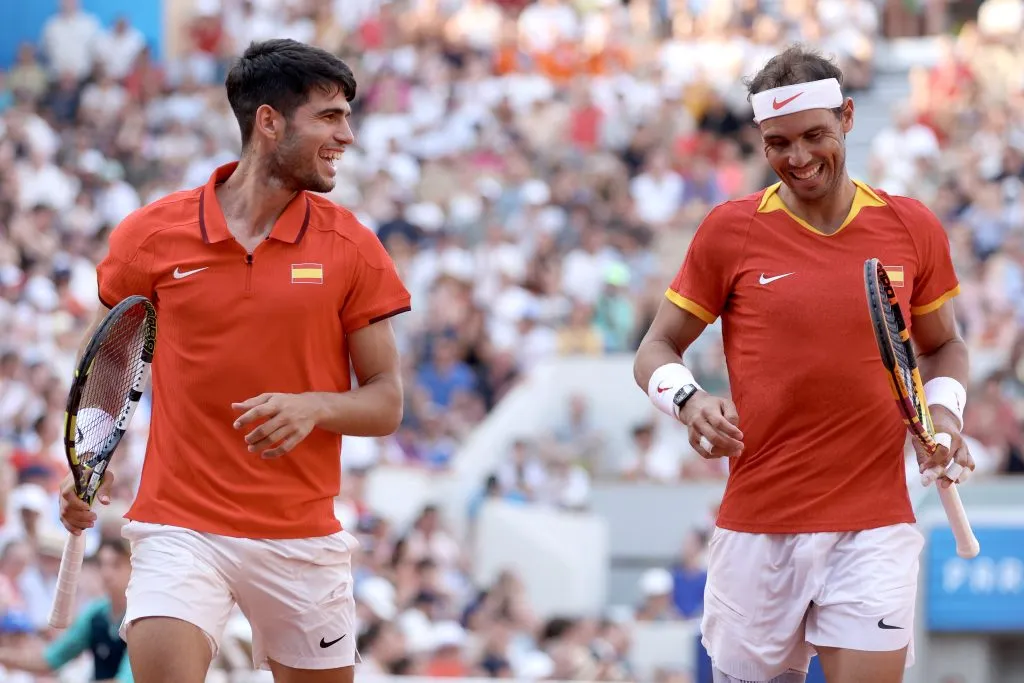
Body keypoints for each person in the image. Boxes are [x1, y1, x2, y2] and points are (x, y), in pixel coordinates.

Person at [58, 38, 412, 683]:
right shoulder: (151, 235)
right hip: (179, 525)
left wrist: (316, 407)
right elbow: (104, 361)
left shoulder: (352, 245)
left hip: (302, 534)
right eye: (330, 117)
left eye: (348, 117)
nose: (348, 135)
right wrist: (84, 461)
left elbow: (388, 401)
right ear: (269, 121)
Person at [633, 45, 974, 683]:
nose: (798, 158)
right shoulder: (728, 230)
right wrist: (688, 400)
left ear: (847, 118)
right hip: (757, 526)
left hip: (874, 527)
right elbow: (656, 348)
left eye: (815, 134)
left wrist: (947, 417)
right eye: (778, 142)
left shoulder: (911, 225)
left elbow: (944, 346)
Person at [0, 538, 133, 682]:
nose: (106, 572)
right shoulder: (95, 613)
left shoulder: (140, 617)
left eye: (116, 565)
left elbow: (125, 680)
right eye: (102, 564)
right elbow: (50, 659)